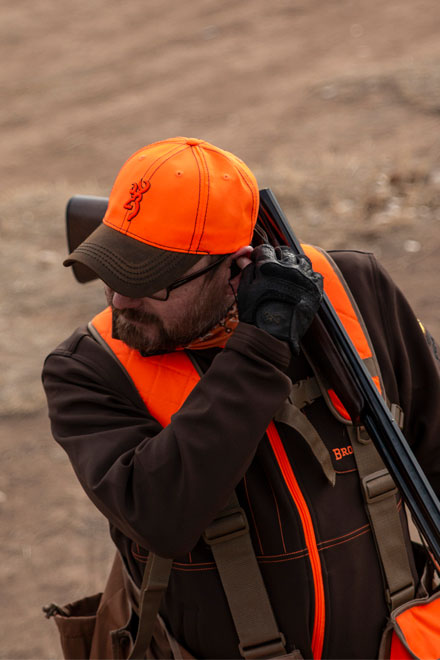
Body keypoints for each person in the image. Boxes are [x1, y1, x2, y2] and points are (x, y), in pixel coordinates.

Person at [42, 137, 440, 660]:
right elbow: (161, 515)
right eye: (113, 270)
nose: (119, 300)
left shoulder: (354, 291)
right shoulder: (87, 369)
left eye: (151, 282)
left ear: (238, 270)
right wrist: (259, 349)